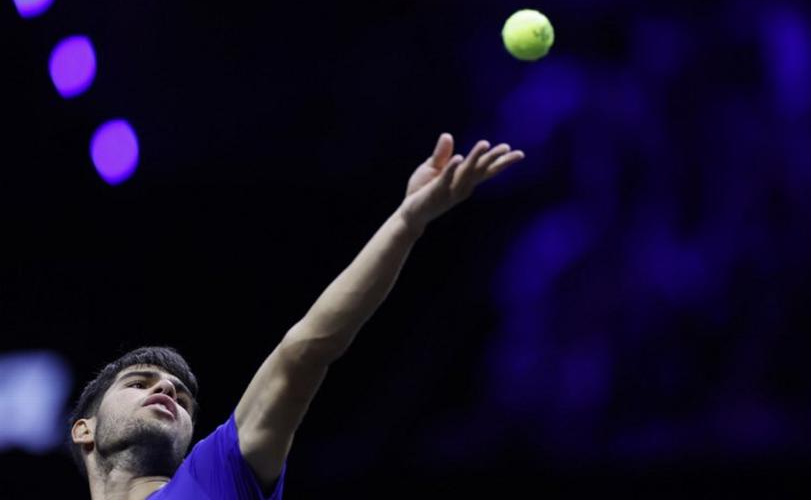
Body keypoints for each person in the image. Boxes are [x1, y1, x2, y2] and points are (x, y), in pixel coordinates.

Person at [67, 133, 525, 499]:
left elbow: (303, 352)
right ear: (83, 430)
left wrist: (407, 222)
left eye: (183, 398)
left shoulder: (217, 478)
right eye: (138, 383)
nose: (167, 388)